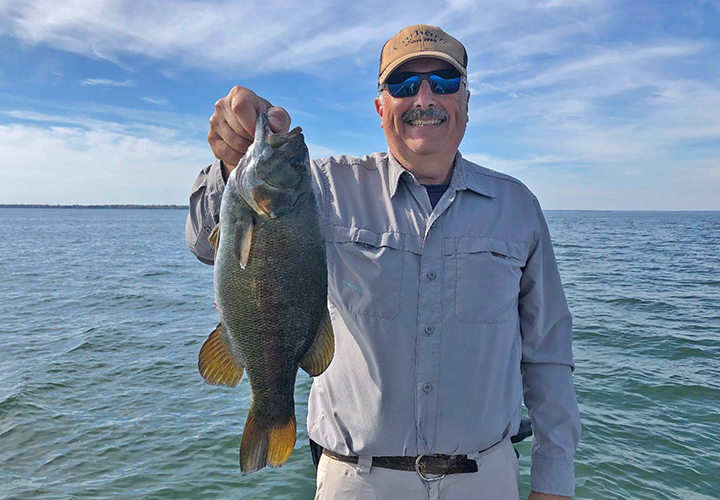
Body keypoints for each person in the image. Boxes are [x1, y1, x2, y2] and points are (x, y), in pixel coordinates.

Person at [186, 24, 581, 500]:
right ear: (381, 107)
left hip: (488, 478)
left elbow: (548, 355)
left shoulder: (517, 207)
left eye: (445, 82)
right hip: (356, 480)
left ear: (467, 103)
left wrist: (554, 480)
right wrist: (231, 163)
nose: (424, 97)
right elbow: (206, 241)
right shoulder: (321, 189)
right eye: (404, 85)